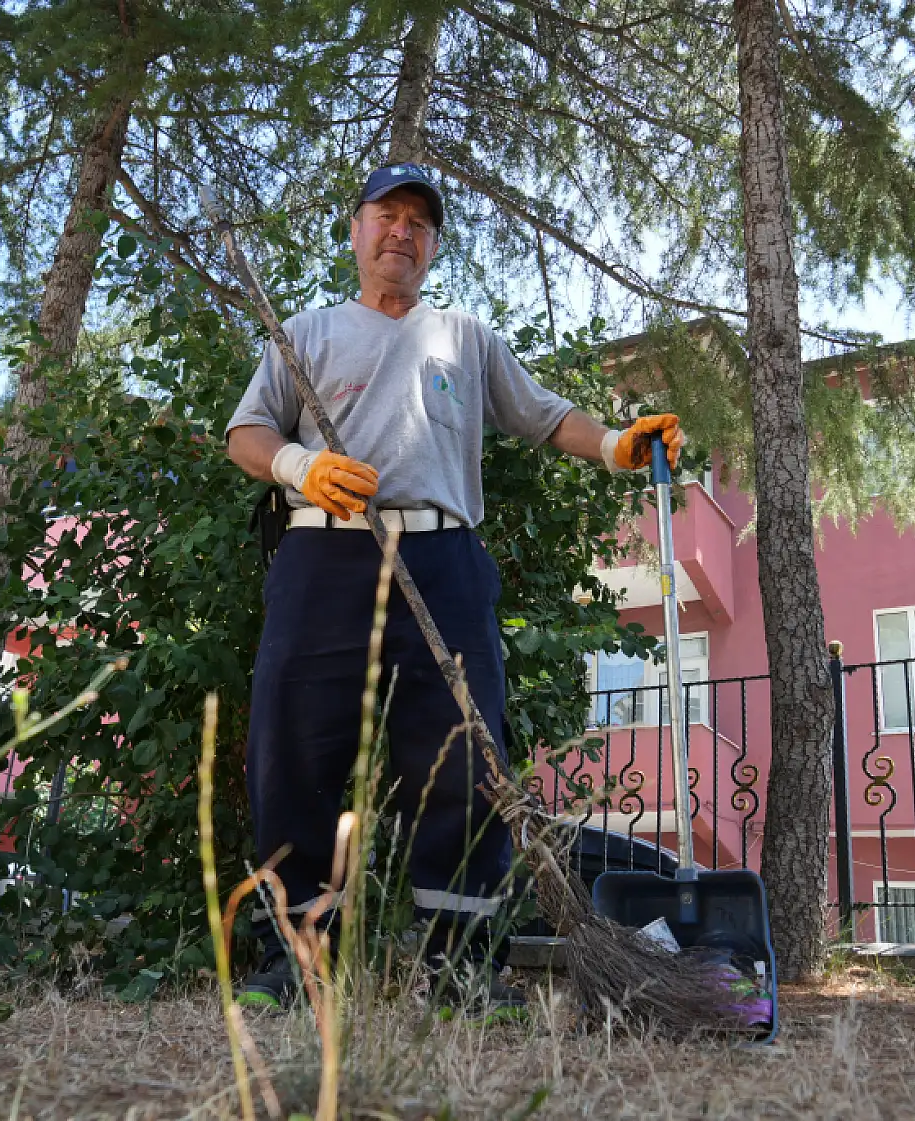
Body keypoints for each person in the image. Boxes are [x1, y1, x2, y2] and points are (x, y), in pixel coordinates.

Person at [225, 163, 685, 1020]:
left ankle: (462, 966)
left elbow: (546, 416)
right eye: (386, 215)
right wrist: (298, 464)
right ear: (355, 231)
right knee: (293, 747)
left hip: (443, 558)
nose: (402, 231)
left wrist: (619, 442)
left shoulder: (467, 336)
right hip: (325, 555)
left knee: (467, 759)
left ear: (433, 246)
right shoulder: (307, 331)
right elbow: (246, 432)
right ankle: (294, 960)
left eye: (420, 223)